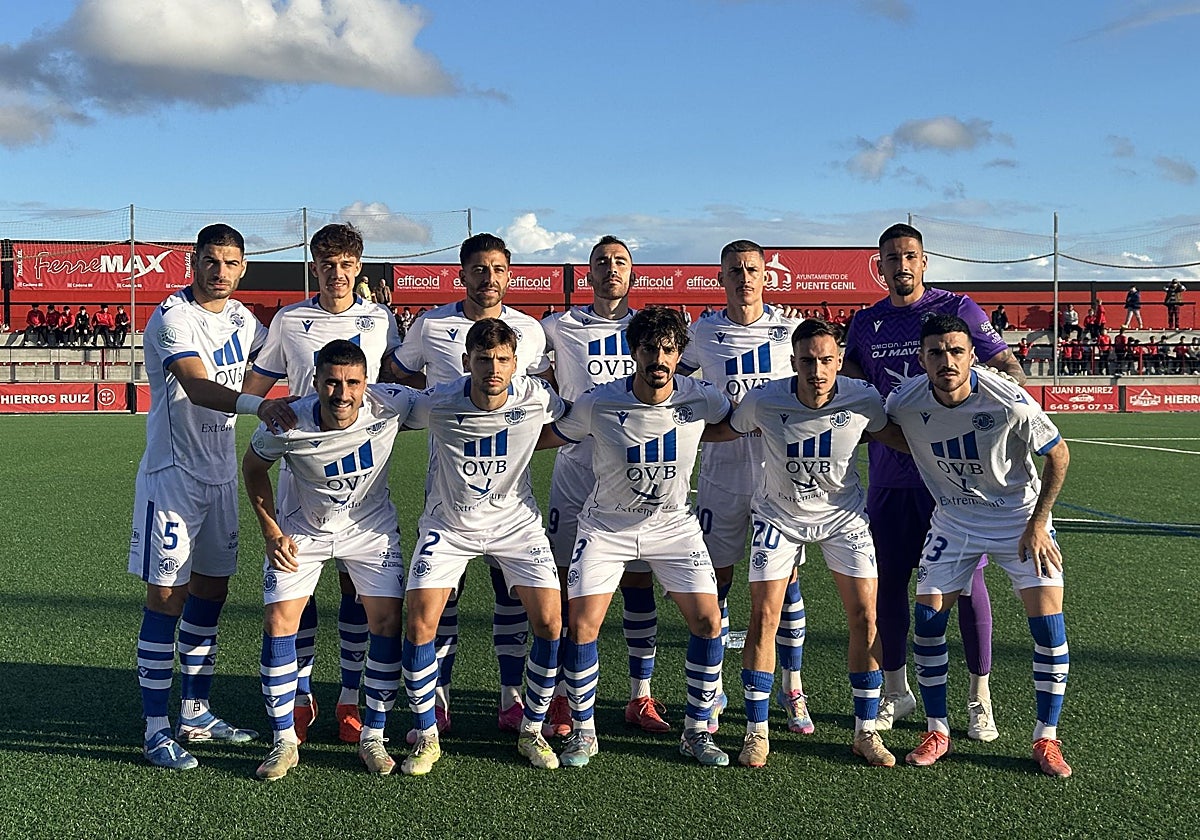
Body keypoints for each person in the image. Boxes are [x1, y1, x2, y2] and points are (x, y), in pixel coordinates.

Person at [842, 223, 1024, 741]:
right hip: (891, 479)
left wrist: (999, 432)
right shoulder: (866, 324)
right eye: (891, 258)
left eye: (910, 256)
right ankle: (896, 691)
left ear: (924, 262)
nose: (901, 265)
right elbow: (846, 391)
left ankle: (978, 698)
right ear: (880, 266)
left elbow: (1008, 369)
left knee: (967, 588)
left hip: (955, 485)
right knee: (888, 586)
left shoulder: (957, 310)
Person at [128, 223, 293, 770]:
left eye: (229, 262)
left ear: (243, 268)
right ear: (191, 262)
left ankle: (195, 712)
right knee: (166, 599)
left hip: (222, 475)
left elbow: (260, 375)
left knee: (211, 592)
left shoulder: (246, 321)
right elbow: (197, 386)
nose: (219, 270)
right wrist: (259, 408)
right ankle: (155, 728)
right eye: (209, 260)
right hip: (173, 476)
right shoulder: (173, 316)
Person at [540, 307, 732, 768]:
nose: (659, 359)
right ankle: (584, 733)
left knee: (708, 622)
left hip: (673, 527)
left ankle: (696, 730)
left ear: (680, 352)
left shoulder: (700, 397)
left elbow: (733, 425)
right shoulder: (597, 402)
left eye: (668, 350)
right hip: (606, 528)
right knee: (582, 624)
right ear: (634, 351)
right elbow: (553, 435)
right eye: (649, 349)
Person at [884, 313, 1073, 778]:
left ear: (971, 354)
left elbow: (1059, 454)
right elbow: (881, 429)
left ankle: (1046, 739)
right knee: (927, 622)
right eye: (935, 353)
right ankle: (937, 729)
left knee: (1049, 630)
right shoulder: (903, 401)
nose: (946, 361)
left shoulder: (1008, 399)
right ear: (922, 359)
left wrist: (1039, 522)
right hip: (954, 521)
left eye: (955, 351)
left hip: (1019, 522)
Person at [719, 319, 910, 768]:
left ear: (840, 361)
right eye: (807, 361)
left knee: (866, 615)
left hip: (843, 519)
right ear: (793, 362)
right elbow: (723, 429)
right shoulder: (764, 400)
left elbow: (900, 437)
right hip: (778, 518)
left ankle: (865, 731)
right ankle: (756, 731)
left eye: (826, 360)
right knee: (764, 616)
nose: (817, 370)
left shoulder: (863, 399)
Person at [241, 223, 403, 745]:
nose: (337, 274)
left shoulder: (381, 320)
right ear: (315, 266)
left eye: (346, 264)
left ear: (359, 267)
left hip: (362, 473)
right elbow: (257, 387)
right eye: (327, 264)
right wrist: (264, 412)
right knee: (298, 591)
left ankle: (350, 698)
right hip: (301, 470)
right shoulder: (290, 320)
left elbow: (400, 382)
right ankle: (301, 694)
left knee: (357, 590)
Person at [392, 233, 550, 736]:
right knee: (447, 596)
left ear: (510, 274)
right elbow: (396, 374)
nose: (489, 277)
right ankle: (438, 697)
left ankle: (511, 695)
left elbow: (544, 401)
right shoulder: (432, 323)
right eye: (478, 269)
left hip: (508, 488)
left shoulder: (529, 330)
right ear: (462, 273)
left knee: (511, 595)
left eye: (498, 269)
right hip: (449, 487)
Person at [242, 340, 420, 780]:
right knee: (279, 622)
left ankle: (373, 736)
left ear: (366, 383)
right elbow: (252, 467)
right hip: (302, 532)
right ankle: (284, 741)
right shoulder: (286, 421)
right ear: (315, 382)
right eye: (332, 383)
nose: (343, 393)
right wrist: (271, 533)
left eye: (353, 383)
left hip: (370, 531)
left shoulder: (391, 403)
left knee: (386, 623)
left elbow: (455, 401)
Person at [399, 318, 566, 775]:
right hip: (449, 526)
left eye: (503, 359)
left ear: (516, 362)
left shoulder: (537, 397)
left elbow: (575, 420)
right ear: (465, 360)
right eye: (484, 358)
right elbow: (380, 409)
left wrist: (531, 445)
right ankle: (426, 735)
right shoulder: (437, 402)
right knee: (418, 626)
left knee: (550, 624)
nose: (494, 368)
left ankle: (532, 728)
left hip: (516, 525)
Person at [676, 240, 809, 735]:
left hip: (781, 482)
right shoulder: (702, 334)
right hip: (721, 478)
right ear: (721, 278)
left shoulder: (789, 328)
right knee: (718, 581)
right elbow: (674, 381)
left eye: (752, 269)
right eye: (735, 271)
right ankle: (711, 690)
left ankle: (791, 687)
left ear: (764, 276)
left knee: (786, 585)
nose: (744, 278)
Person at [540, 236, 668, 737]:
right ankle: (562, 697)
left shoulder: (651, 330)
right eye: (601, 262)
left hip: (636, 478)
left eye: (620, 262)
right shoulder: (560, 325)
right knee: (568, 588)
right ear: (587, 273)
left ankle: (641, 695)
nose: (610, 269)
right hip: (576, 472)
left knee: (638, 583)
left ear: (632, 272)